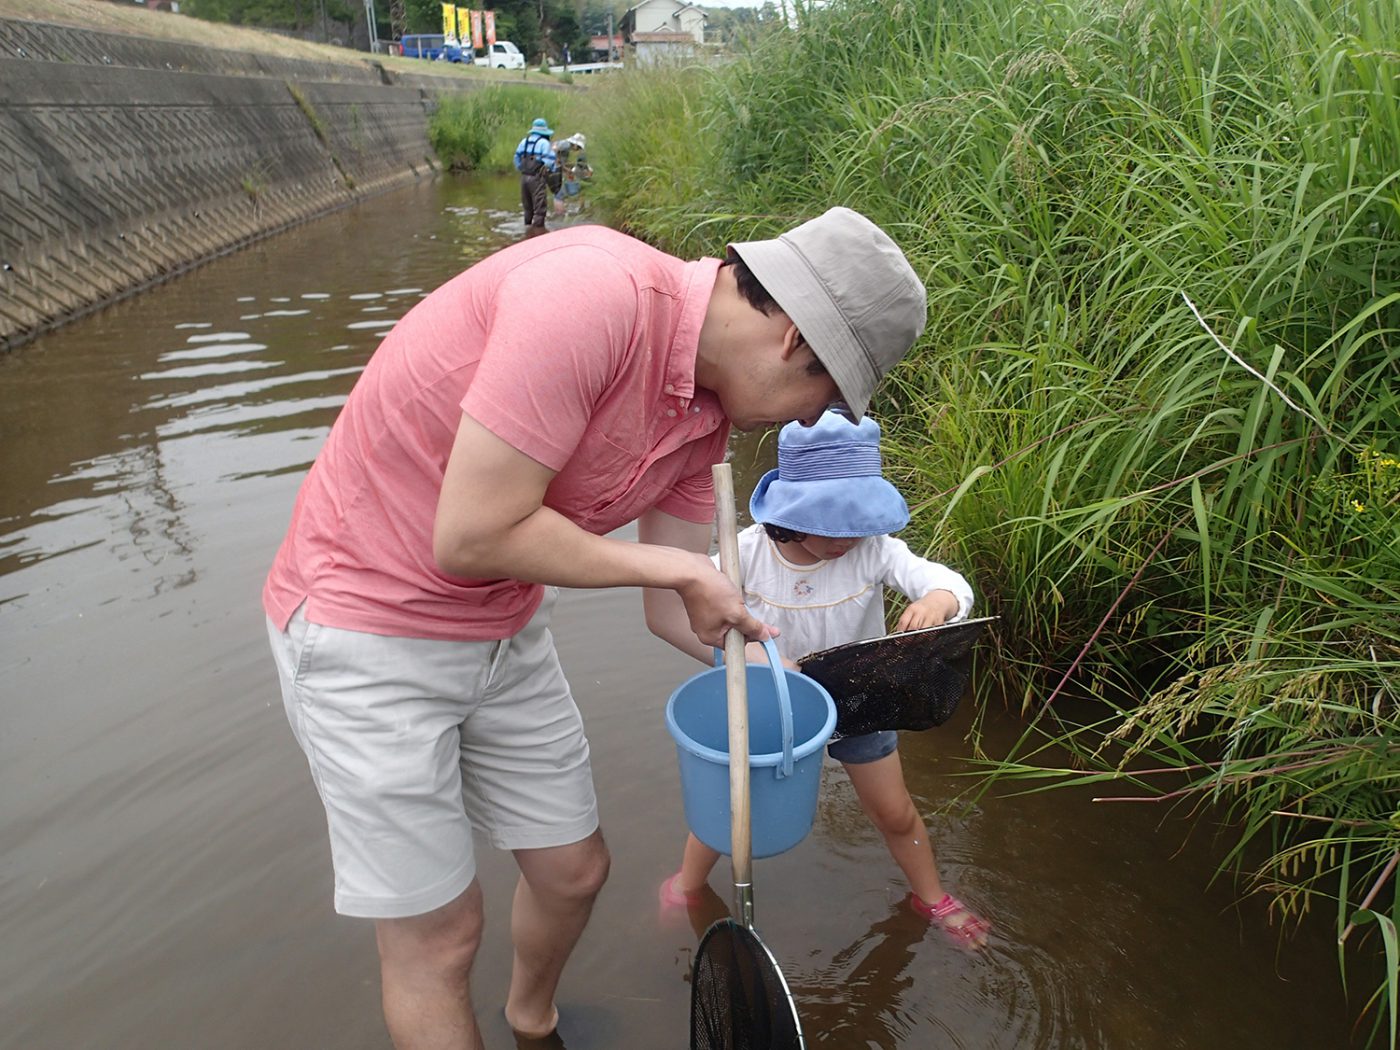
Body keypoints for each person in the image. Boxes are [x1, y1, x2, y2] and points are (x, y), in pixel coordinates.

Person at [262, 206, 928, 1048]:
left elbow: (673, 612)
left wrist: (784, 683)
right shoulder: (592, 298)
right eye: (823, 395)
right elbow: (471, 532)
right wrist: (679, 569)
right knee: (441, 937)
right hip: (365, 621)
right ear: (794, 336)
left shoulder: (707, 418)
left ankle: (530, 1025)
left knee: (574, 872)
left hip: (497, 620)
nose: (807, 423)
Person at [659, 410, 992, 949]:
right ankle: (687, 884)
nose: (846, 540)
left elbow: (944, 581)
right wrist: (754, 652)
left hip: (858, 695)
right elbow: (697, 611)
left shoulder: (875, 549)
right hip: (773, 699)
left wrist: (938, 600)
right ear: (790, 513)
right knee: (730, 799)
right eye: (831, 525)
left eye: (856, 524)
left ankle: (931, 896)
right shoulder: (745, 555)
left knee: (894, 808)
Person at [513, 117, 558, 234]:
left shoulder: (524, 141)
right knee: (540, 208)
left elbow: (516, 158)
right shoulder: (544, 143)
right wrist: (552, 173)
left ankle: (527, 231)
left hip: (524, 178)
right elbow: (550, 161)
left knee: (527, 207)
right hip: (537, 178)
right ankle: (538, 233)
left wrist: (522, 169)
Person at [551, 133, 592, 216]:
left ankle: (559, 214)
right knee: (559, 194)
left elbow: (560, 160)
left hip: (554, 170)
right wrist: (565, 168)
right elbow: (554, 154)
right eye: (579, 147)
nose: (577, 150)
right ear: (575, 145)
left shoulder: (564, 145)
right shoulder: (565, 145)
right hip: (553, 170)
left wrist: (566, 169)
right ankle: (560, 216)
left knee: (559, 193)